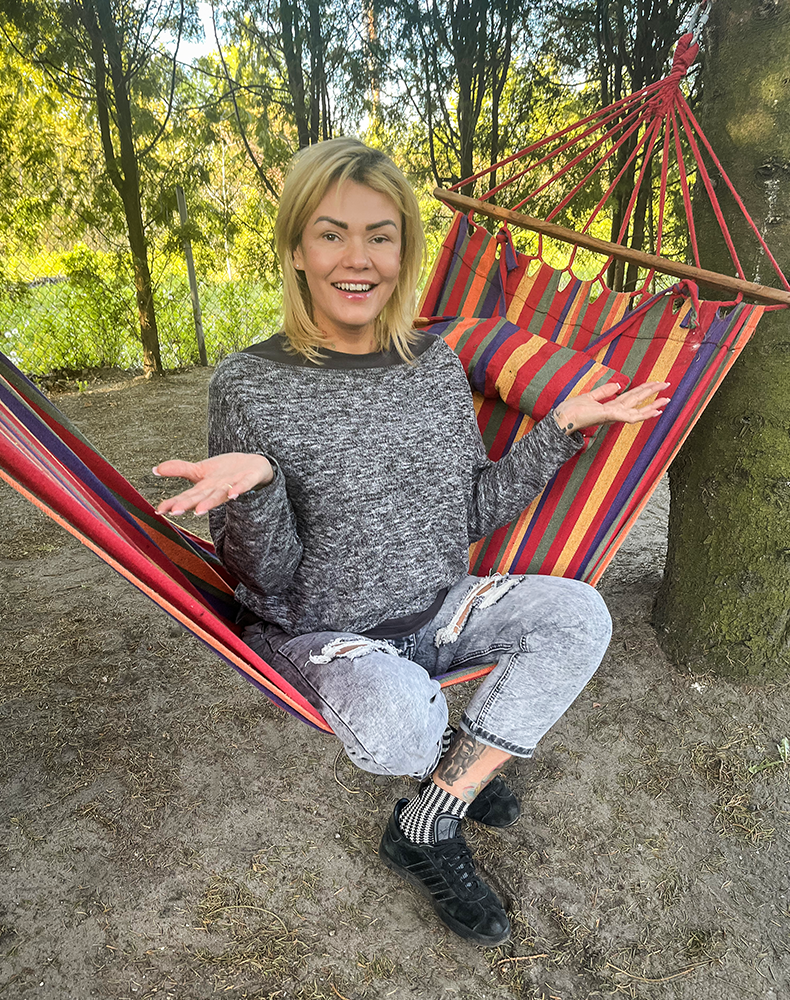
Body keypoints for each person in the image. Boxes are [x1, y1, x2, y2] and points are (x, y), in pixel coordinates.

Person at [154, 137, 670, 947]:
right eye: (331, 233)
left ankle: (429, 819)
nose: (357, 258)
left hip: (441, 608)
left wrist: (560, 427)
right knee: (401, 722)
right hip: (324, 635)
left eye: (380, 235)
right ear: (296, 249)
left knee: (579, 616)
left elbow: (469, 512)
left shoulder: (435, 366)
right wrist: (259, 486)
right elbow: (262, 580)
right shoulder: (248, 384)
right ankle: (456, 767)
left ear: (404, 252)